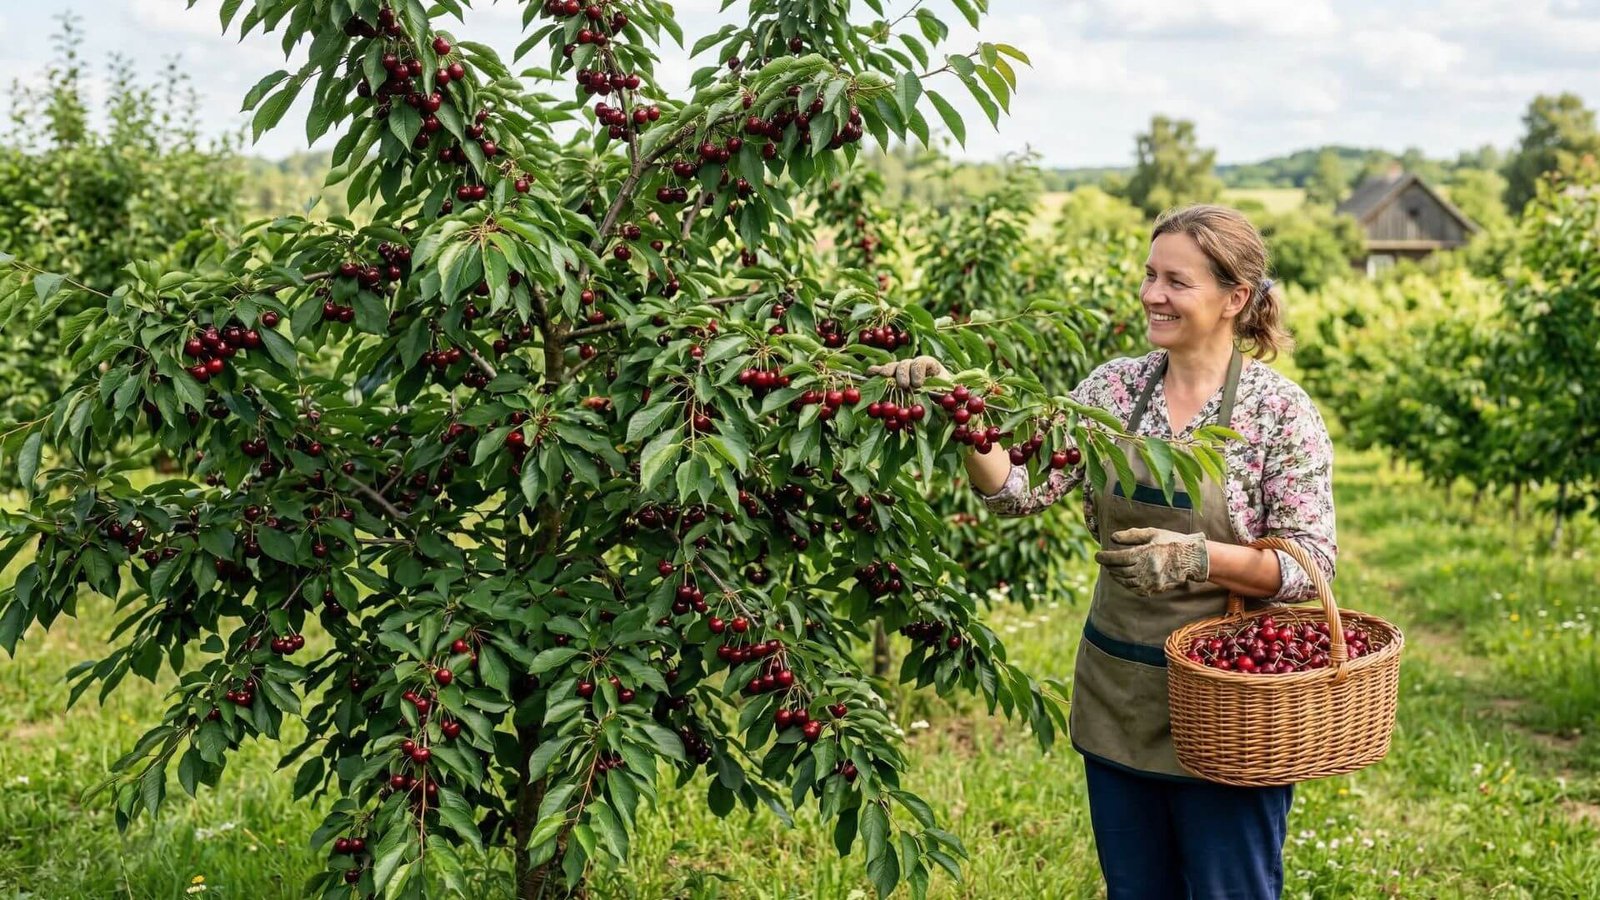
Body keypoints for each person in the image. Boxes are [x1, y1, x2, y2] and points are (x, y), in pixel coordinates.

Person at [868, 204, 1336, 900]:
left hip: (1230, 706)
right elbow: (1018, 493)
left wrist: (1200, 557)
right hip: (1121, 693)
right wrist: (957, 409)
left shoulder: (1278, 412)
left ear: (1235, 298)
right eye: (1150, 275)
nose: (1152, 294)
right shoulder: (1114, 390)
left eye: (1176, 281)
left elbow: (1310, 566)